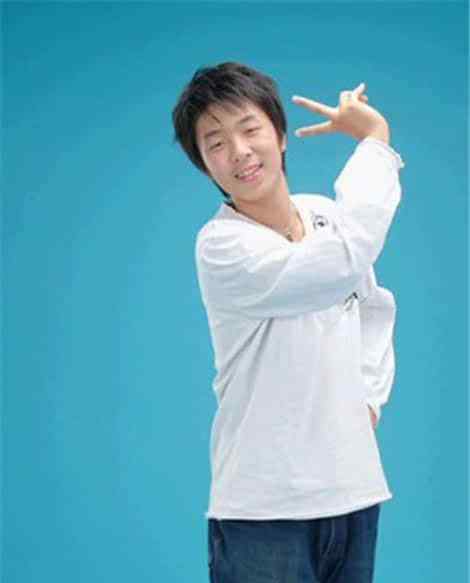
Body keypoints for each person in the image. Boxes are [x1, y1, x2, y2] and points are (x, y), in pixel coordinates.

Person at [172, 62, 405, 583]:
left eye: (249, 129)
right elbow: (341, 262)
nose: (239, 151)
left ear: (279, 135)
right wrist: (375, 141)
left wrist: (369, 396)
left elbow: (373, 306)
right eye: (216, 143)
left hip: (354, 493)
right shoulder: (222, 246)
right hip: (264, 509)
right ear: (205, 166)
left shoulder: (324, 214)